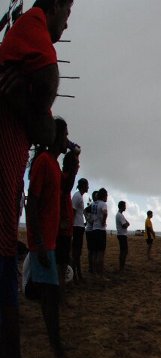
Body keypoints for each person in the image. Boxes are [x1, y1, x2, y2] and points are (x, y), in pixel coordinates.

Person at [0, 0, 74, 358]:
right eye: (68, 13)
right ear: (58, 5)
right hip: (33, 236)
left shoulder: (52, 161)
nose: (66, 25)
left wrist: (31, 112)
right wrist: (41, 245)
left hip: (26, 229)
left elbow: (44, 125)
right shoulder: (31, 27)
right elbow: (47, 78)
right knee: (27, 301)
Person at [26, 114, 78, 358]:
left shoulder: (54, 166)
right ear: (56, 137)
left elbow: (63, 191)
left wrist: (74, 163)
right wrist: (38, 241)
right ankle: (58, 351)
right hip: (42, 244)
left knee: (50, 297)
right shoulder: (44, 163)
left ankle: (57, 346)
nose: (67, 139)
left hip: (49, 242)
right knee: (51, 298)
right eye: (65, 134)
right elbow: (32, 203)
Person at [55, 119, 79, 306]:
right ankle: (60, 299)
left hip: (64, 229)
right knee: (60, 265)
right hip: (61, 230)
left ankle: (61, 297)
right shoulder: (62, 179)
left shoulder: (64, 181)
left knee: (63, 264)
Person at [71, 178, 88, 283]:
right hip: (76, 227)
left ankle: (78, 274)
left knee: (78, 252)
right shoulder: (77, 196)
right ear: (83, 186)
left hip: (79, 226)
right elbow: (72, 212)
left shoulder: (79, 196)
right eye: (87, 185)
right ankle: (75, 276)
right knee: (76, 253)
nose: (88, 187)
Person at [91, 188, 108, 279]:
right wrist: (103, 221)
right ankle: (100, 274)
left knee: (94, 253)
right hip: (100, 230)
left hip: (94, 229)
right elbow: (105, 213)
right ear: (104, 195)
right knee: (101, 253)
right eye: (107, 195)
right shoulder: (103, 204)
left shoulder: (94, 203)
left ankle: (94, 273)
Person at [84, 191, 97, 275]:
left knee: (94, 250)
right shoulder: (92, 205)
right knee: (91, 250)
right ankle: (91, 267)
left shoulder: (96, 205)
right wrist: (90, 220)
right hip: (90, 230)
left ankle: (93, 267)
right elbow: (85, 211)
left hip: (94, 230)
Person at [115, 201, 130, 272]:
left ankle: (122, 267)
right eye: (124, 206)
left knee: (123, 251)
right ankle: (121, 268)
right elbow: (125, 225)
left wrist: (126, 224)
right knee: (124, 251)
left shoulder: (120, 214)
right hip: (122, 235)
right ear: (122, 206)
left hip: (121, 234)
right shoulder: (120, 215)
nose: (125, 207)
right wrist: (126, 224)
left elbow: (127, 223)